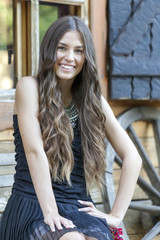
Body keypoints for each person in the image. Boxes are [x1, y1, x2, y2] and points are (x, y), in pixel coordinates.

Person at [0, 16, 142, 240]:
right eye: (62, 48)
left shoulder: (92, 101)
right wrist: (51, 212)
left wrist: (116, 215)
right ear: (49, 50)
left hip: (77, 208)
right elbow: (35, 152)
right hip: (34, 205)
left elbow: (133, 157)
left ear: (87, 57)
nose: (69, 57)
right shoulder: (29, 87)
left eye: (78, 51)